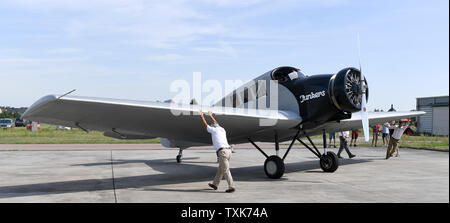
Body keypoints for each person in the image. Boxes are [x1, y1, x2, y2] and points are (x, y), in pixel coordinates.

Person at [199, 110, 235, 193]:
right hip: (229, 152)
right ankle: (215, 184)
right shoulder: (222, 129)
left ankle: (231, 186)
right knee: (221, 169)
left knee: (226, 170)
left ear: (213, 127)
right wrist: (211, 116)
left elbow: (206, 125)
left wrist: (202, 116)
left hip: (222, 152)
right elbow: (215, 122)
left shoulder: (214, 130)